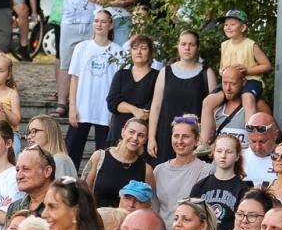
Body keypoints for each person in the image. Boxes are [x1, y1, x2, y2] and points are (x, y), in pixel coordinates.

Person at [147, 30, 212, 160]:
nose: (187, 48)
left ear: (197, 47)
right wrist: (151, 138)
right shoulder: (165, 72)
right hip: (166, 137)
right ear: (178, 46)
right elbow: (156, 107)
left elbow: (214, 110)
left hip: (195, 140)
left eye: (192, 44)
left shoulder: (207, 73)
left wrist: (206, 139)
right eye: (183, 44)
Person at [189, 133, 249, 230]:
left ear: (237, 156)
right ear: (213, 154)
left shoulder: (242, 189)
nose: (223, 155)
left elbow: (240, 224)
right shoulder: (200, 186)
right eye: (219, 151)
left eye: (229, 152)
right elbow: (191, 217)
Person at [152, 116, 211, 225]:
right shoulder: (159, 170)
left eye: (185, 136)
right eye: (176, 136)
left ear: (197, 140)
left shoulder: (207, 170)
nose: (179, 141)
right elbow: (154, 208)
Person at [84, 116, 152, 210]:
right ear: (123, 132)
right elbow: (83, 192)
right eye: (131, 132)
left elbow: (147, 205)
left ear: (145, 139)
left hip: (127, 222)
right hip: (97, 220)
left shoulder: (146, 170)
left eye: (141, 135)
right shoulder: (99, 157)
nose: (135, 138)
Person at [217, 9, 272, 121]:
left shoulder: (250, 45)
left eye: (232, 24)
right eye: (226, 24)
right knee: (209, 101)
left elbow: (267, 65)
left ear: (243, 27)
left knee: (248, 98)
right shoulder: (224, 45)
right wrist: (223, 72)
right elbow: (221, 68)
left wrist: (247, 70)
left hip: (250, 80)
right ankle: (205, 137)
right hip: (230, 82)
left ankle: (250, 133)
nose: (228, 27)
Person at [107, 33, 158, 144]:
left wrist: (126, 106)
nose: (139, 52)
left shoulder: (158, 76)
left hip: (142, 134)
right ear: (130, 52)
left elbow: (154, 106)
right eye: (135, 48)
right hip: (118, 132)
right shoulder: (121, 74)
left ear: (150, 52)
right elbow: (112, 102)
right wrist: (135, 110)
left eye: (143, 48)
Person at [240, 114, 280, 186]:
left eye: (263, 141)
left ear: (275, 135)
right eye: (253, 141)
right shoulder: (238, 157)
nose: (258, 147)